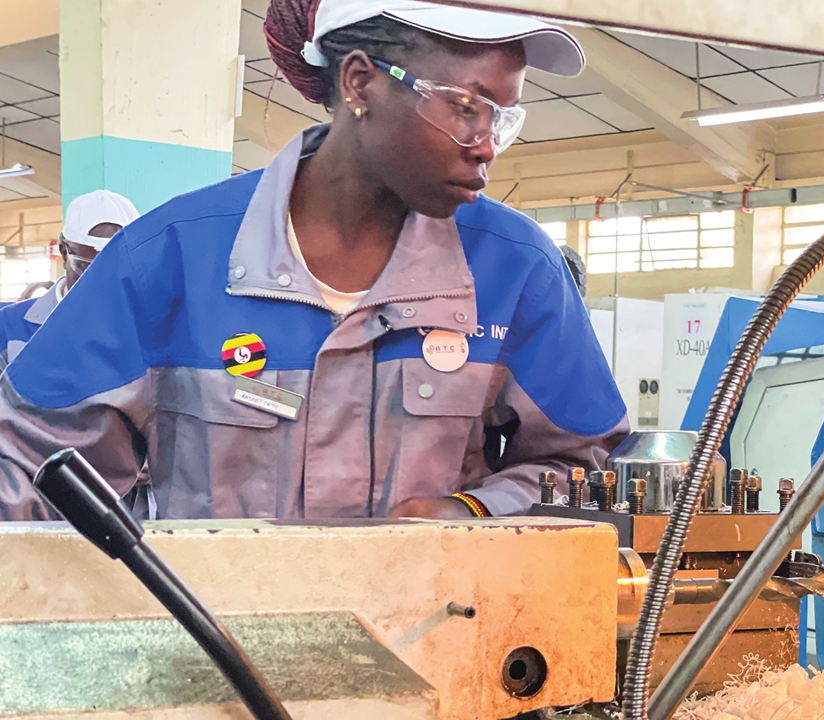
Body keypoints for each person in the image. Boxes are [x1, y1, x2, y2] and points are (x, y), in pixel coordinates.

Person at [0, 0, 628, 521]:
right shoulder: (169, 258)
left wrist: (474, 509)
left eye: (503, 115)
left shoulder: (515, 270)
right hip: (212, 655)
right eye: (466, 107)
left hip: (438, 647)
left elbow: (586, 465)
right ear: (359, 81)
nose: (487, 146)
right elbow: (32, 472)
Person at [0, 190, 139, 372]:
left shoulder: (151, 329)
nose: (100, 281)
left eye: (116, 268)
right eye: (87, 266)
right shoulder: (9, 327)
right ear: (64, 253)